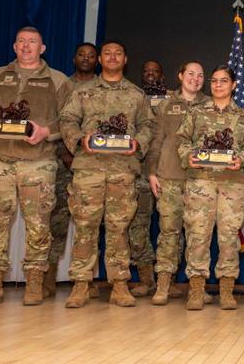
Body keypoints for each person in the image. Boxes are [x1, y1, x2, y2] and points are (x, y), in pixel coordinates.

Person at [0, 26, 72, 307]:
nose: (27, 46)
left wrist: (47, 132)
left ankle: (34, 282)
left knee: (38, 224)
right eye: (22, 42)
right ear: (14, 47)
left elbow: (70, 118)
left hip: (38, 162)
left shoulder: (58, 80)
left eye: (33, 42)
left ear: (43, 48)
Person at [59, 40, 153, 308]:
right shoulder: (82, 92)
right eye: (108, 53)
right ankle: (80, 284)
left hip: (122, 171)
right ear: (100, 59)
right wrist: (79, 139)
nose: (113, 57)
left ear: (126, 60)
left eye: (118, 53)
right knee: (85, 227)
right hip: (88, 169)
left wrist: (138, 143)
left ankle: (120, 284)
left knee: (118, 228)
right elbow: (67, 120)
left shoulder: (136, 95)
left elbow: (148, 125)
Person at [176, 65, 244, 310]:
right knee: (198, 235)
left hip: (232, 184)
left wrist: (241, 158)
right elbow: (181, 140)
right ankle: (197, 289)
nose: (218, 85)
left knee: (229, 237)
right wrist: (187, 155)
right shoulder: (196, 113)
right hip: (201, 182)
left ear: (233, 85)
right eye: (214, 81)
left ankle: (227, 289)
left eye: (223, 81)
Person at [145, 61, 209, 305]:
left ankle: (196, 287)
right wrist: (152, 172)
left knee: (198, 236)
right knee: (168, 233)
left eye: (200, 75)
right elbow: (156, 141)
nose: (195, 78)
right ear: (180, 75)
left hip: (201, 180)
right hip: (169, 177)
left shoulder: (210, 105)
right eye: (190, 73)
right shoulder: (166, 105)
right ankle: (163, 284)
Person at [45, 42, 99, 298]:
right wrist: (67, 154)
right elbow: (58, 122)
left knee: (89, 224)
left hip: (92, 166)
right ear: (74, 57)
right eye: (81, 55)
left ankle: (87, 280)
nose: (86, 59)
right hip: (62, 163)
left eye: (91, 55)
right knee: (56, 223)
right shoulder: (63, 86)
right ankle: (47, 278)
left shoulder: (102, 87)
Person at [128, 59, 163, 297]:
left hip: (168, 174)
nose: (150, 75)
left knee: (171, 228)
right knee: (138, 227)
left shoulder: (172, 100)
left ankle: (166, 281)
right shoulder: (133, 98)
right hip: (138, 173)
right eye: (146, 71)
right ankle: (146, 278)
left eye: (155, 71)